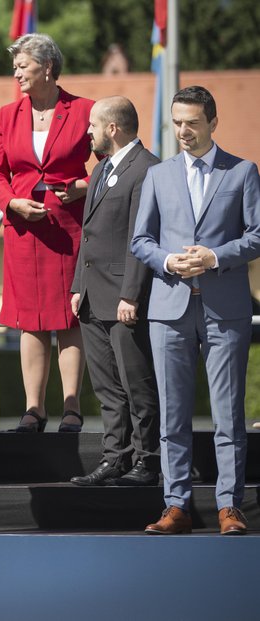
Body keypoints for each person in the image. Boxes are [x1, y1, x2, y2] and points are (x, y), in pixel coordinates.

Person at [132, 86, 260, 535]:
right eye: (177, 122)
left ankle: (230, 506)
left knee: (228, 413)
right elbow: (140, 240)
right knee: (173, 414)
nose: (183, 131)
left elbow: (258, 235)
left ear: (213, 123)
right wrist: (168, 261)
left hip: (225, 308)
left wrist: (214, 257)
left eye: (192, 123)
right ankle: (176, 505)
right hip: (168, 307)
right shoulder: (158, 175)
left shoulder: (243, 172)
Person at [0, 33, 95, 433]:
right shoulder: (6, 115)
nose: (16, 72)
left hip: (69, 227)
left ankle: (70, 408)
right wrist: (11, 202)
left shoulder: (85, 111)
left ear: (47, 67)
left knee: (69, 318)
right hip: (23, 230)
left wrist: (82, 186)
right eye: (15, 65)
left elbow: (115, 161)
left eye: (22, 65)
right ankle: (34, 410)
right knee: (29, 321)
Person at [68, 97, 160, 487]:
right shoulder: (102, 168)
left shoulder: (148, 170)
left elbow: (141, 240)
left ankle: (148, 460)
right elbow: (88, 235)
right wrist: (77, 286)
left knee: (137, 382)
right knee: (106, 386)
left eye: (92, 125)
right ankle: (115, 458)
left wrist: (131, 295)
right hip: (92, 295)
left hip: (124, 298)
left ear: (112, 128)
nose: (86, 132)